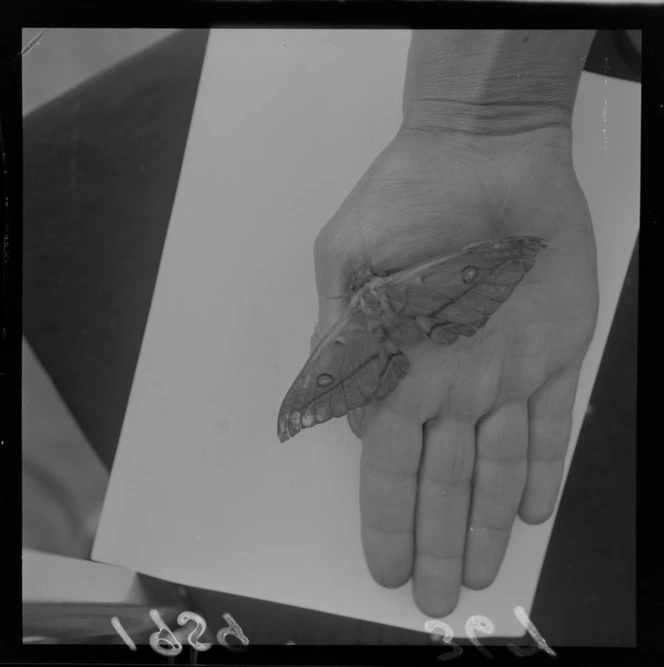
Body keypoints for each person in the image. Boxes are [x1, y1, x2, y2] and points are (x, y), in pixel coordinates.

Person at [311, 30, 599, 617]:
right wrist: (471, 123)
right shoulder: (394, 285)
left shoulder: (371, 301)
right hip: (429, 310)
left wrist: (474, 123)